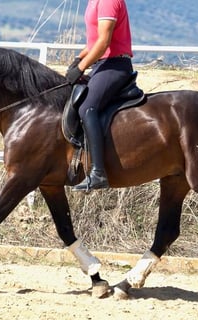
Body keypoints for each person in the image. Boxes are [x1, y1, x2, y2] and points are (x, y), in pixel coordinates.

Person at [66, 0, 134, 192]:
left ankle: (98, 172)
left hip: (115, 65)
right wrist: (78, 59)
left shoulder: (108, 1)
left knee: (87, 107)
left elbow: (104, 42)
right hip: (102, 64)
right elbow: (94, 41)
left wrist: (81, 68)